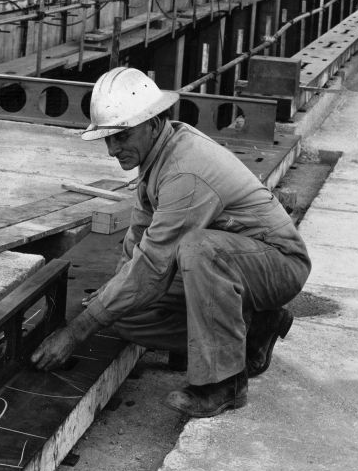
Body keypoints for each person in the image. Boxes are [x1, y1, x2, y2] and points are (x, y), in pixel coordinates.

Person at [31, 68, 310, 418]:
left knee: (196, 248)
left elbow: (153, 265)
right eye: (107, 139)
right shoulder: (160, 152)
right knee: (126, 318)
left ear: (152, 122)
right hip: (235, 266)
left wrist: (77, 331)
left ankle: (225, 383)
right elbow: (140, 235)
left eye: (121, 136)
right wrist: (109, 294)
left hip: (278, 264)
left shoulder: (184, 171)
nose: (112, 150)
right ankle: (253, 328)